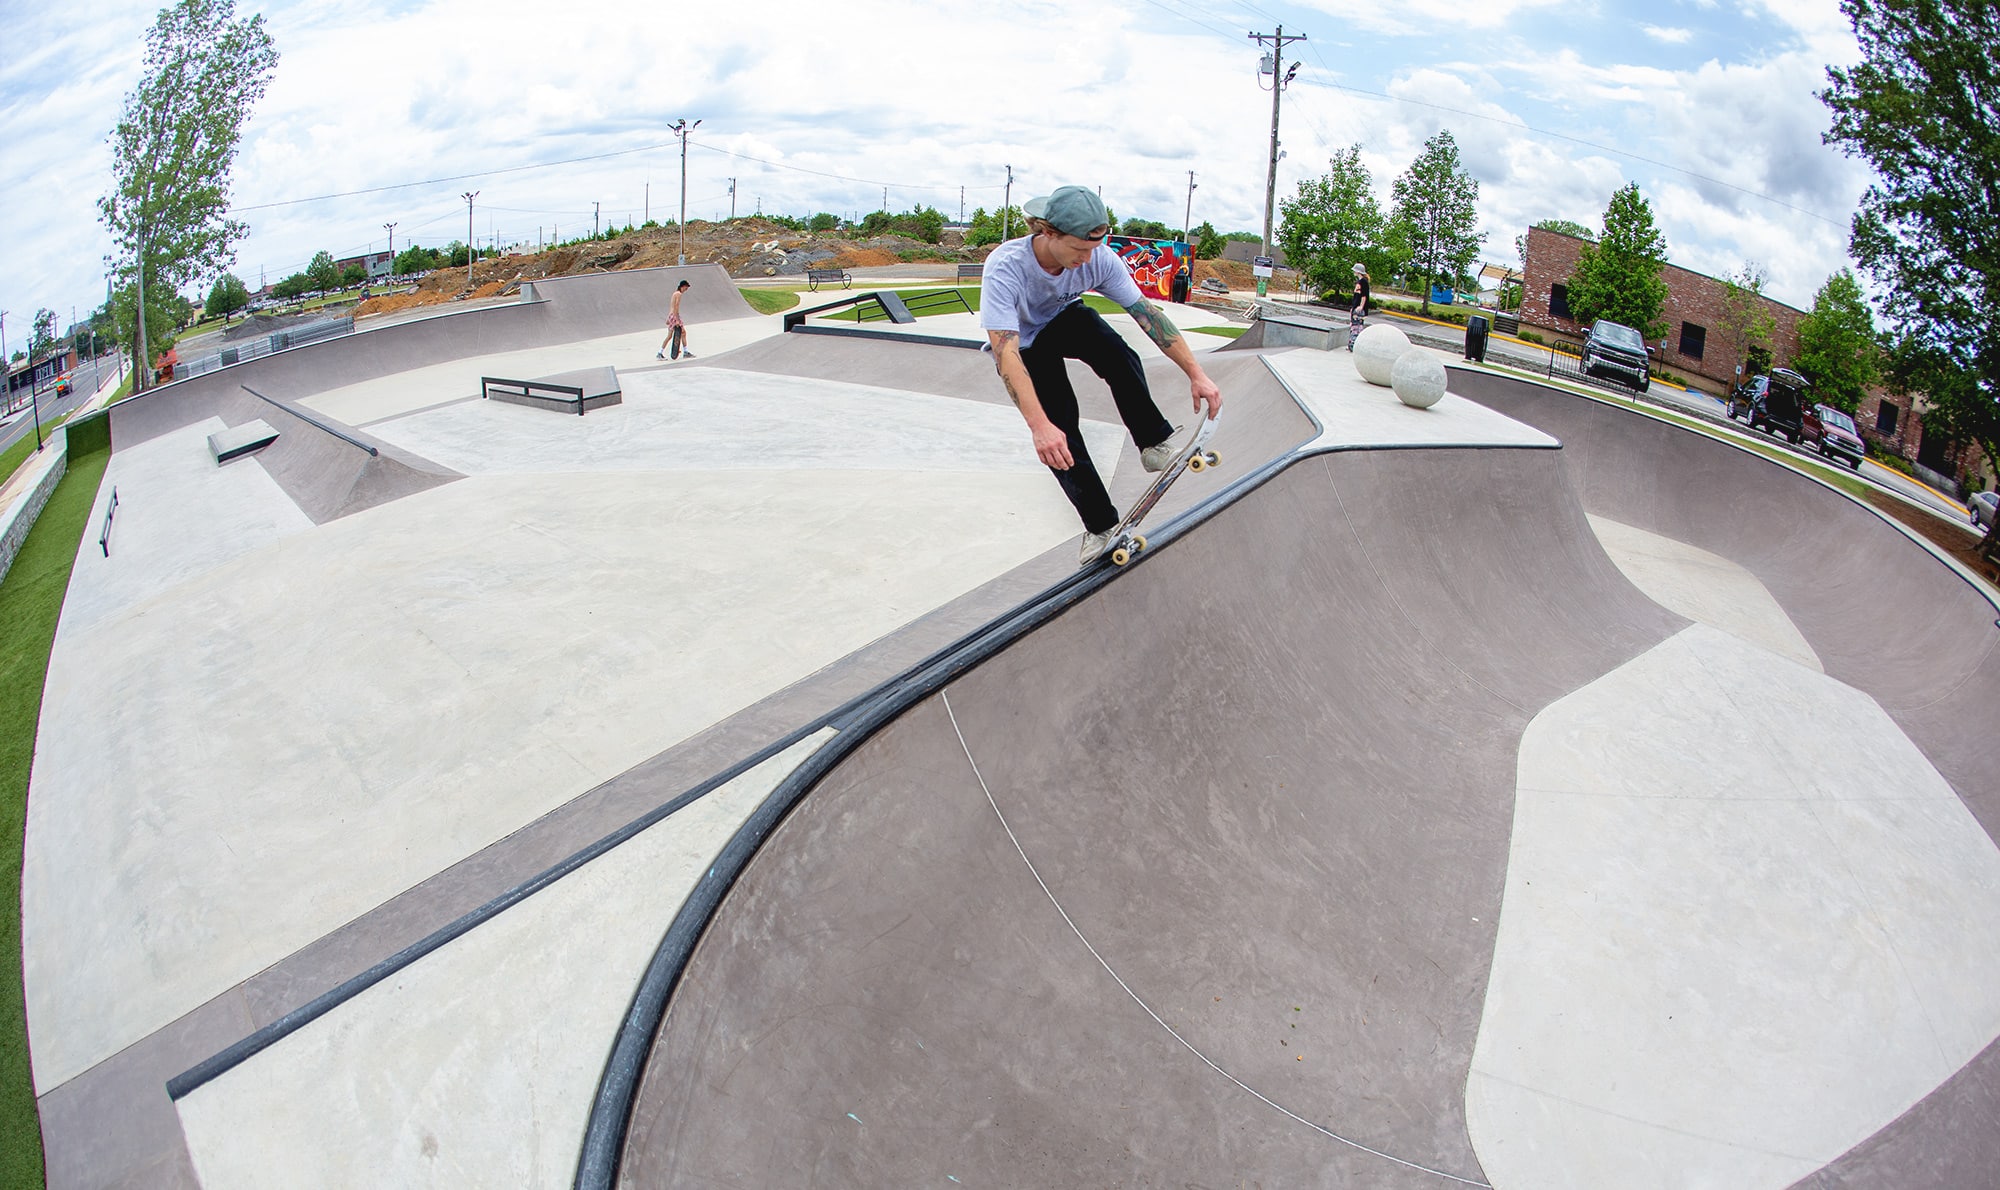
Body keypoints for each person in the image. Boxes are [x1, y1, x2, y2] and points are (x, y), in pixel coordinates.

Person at [981, 185, 1223, 565]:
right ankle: (1099, 525)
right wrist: (1039, 425)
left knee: (1115, 350)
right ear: (1047, 232)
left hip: (1063, 320)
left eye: (1092, 249)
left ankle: (1153, 444)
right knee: (1060, 429)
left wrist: (1197, 373)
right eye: (1079, 249)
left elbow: (1147, 314)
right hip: (1023, 346)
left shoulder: (1099, 258)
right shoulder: (1005, 267)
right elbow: (1006, 352)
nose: (1087, 258)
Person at [658, 280, 694, 360]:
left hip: (671, 315)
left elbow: (671, 306)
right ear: (683, 286)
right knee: (683, 332)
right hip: (675, 316)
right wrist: (677, 319)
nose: (686, 289)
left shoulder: (674, 293)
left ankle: (660, 352)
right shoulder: (678, 294)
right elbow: (676, 306)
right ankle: (685, 352)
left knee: (670, 336)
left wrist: (668, 318)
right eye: (686, 288)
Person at [1347, 262, 1371, 351]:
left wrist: (1361, 306)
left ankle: (1354, 345)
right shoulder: (1360, 281)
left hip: (1359, 308)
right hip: (1356, 307)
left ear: (1358, 272)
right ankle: (1352, 344)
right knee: (1354, 325)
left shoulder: (1363, 282)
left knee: (1356, 327)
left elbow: (1364, 296)